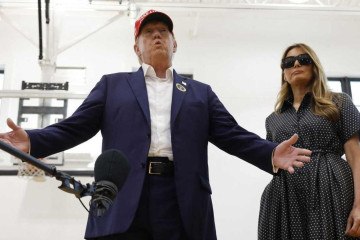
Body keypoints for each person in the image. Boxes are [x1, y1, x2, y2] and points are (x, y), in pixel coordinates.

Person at [0, 10, 311, 240]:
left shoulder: (200, 93)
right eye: (149, 33)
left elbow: (232, 135)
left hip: (182, 199)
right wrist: (34, 140)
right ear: (137, 48)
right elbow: (76, 126)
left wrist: (270, 154)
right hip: (124, 198)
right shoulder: (112, 86)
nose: (158, 35)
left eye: (164, 31)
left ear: (175, 44)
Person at [258, 43, 360, 239]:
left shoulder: (339, 102)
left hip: (332, 192)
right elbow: (272, 164)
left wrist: (359, 205)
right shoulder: (273, 119)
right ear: (284, 74)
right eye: (288, 62)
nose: (296, 64)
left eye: (303, 60)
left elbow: (356, 158)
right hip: (284, 198)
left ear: (314, 66)